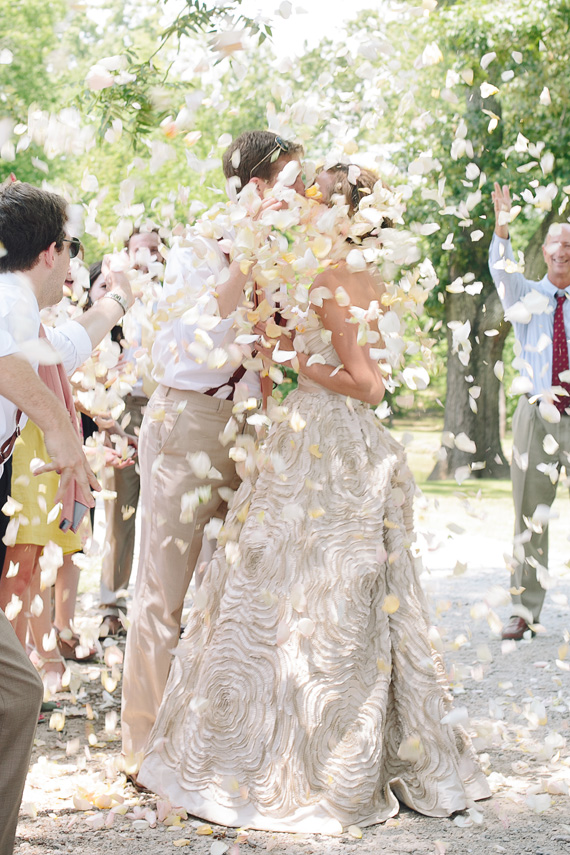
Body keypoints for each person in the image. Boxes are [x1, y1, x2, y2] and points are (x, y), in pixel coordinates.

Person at [137, 165, 491, 833]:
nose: (307, 208)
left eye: (318, 200)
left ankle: (301, 757)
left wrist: (299, 363)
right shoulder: (361, 275)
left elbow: (368, 383)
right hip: (331, 442)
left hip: (327, 440)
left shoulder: (332, 279)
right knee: (331, 605)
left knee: (306, 601)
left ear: (341, 211)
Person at [121, 130, 305, 765]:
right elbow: (194, 339)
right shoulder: (201, 246)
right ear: (258, 187)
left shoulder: (288, 251)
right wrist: (247, 256)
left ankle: (215, 737)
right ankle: (142, 748)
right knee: (162, 589)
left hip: (254, 423)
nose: (303, 198)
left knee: (237, 587)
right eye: (293, 184)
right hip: (189, 418)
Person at [0, 179, 127, 855]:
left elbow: (64, 347)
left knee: (16, 689)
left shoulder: (21, 307)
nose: (75, 265)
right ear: (50, 253)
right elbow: (7, 364)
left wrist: (120, 299)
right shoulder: (5, 299)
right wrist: (62, 430)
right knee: (17, 689)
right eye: (72, 251)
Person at [490, 183, 570, 641]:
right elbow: (501, 268)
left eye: (569, 245)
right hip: (536, 414)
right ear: (544, 250)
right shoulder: (524, 297)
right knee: (528, 516)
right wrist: (502, 223)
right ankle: (524, 609)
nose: (562, 250)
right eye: (555, 243)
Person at [99, 231, 163, 638]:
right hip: (123, 409)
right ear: (125, 253)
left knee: (162, 515)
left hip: (164, 410)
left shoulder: (174, 295)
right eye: (140, 247)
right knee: (121, 515)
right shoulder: (112, 298)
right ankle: (111, 605)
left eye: (155, 247)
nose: (148, 254)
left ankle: (154, 610)